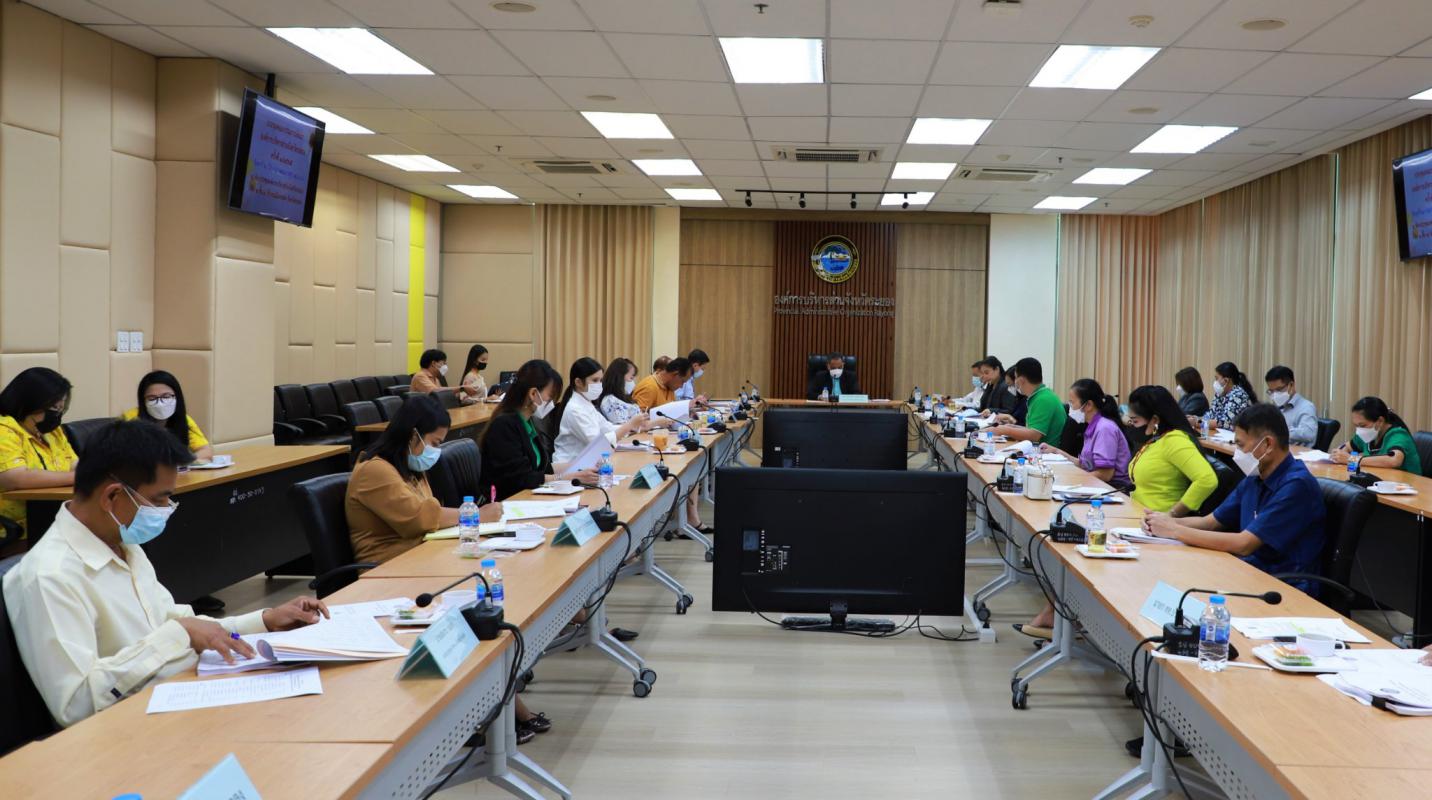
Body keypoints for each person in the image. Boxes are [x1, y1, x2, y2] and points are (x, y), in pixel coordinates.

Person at [3, 421, 329, 727]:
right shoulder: (50, 576)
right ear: (112, 496)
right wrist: (178, 635)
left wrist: (265, 620)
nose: (167, 509)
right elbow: (76, 705)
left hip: (168, 702)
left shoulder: (122, 544)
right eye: (160, 498)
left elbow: (179, 623)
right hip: (120, 732)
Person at [1145, 404, 1326, 595]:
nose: (1236, 453)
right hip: (1249, 572)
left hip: (1284, 587)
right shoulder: (1255, 477)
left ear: (1267, 444)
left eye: (1240, 445)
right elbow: (1210, 522)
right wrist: (1161, 521)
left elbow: (1244, 544)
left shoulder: (1296, 485)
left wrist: (1174, 530)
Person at [1019, 379, 1134, 639]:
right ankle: (1056, 612)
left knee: (1067, 541)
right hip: (1095, 493)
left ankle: (1059, 615)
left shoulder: (1105, 428)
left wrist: (1075, 485)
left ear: (1088, 404)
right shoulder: (1092, 426)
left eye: (1072, 403)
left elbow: (1105, 473)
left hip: (1112, 497)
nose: (1070, 408)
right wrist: (1058, 452)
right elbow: (1085, 464)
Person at [347, 395, 501, 564]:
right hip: (387, 566)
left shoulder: (409, 468)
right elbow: (420, 519)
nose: (436, 451)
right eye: (434, 443)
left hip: (419, 556)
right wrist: (476, 515)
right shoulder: (374, 470)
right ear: (413, 436)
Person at [480, 359, 600, 501]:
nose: (552, 404)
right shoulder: (504, 426)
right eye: (550, 397)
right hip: (509, 501)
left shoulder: (527, 422)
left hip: (528, 497)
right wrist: (569, 477)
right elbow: (522, 479)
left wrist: (580, 466)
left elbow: (543, 468)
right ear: (533, 394)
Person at [0, 367, 79, 541]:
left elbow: (74, 464)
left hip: (54, 524)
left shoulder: (53, 432)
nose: (56, 415)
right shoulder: (4, 429)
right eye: (53, 408)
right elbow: (14, 478)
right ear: (29, 402)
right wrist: (77, 477)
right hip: (17, 531)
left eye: (60, 409)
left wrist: (97, 470)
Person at [1125, 385, 1219, 516]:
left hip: (1158, 521)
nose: (1132, 426)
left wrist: (1171, 515)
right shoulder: (1156, 439)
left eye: (1135, 421)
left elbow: (1207, 480)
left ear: (1155, 420)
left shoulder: (1175, 441)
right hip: (1138, 514)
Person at [552, 357, 648, 464]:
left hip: (587, 461)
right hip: (570, 466)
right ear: (578, 382)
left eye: (600, 380)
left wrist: (632, 426)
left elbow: (607, 427)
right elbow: (597, 444)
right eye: (595, 380)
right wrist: (629, 425)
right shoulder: (575, 409)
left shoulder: (586, 403)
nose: (599, 384)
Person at [121, 371, 215, 463]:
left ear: (177, 397)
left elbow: (206, 452)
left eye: (166, 397)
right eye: (152, 398)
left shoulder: (184, 420)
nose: (160, 403)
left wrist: (183, 460)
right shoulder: (130, 419)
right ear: (143, 401)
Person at [1330, 396, 1423, 476]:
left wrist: (1352, 459)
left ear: (1380, 421)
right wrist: (1340, 455)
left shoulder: (1398, 435)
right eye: (1356, 426)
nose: (1359, 430)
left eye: (1362, 425)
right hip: (1379, 482)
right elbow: (1347, 447)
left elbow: (1394, 460)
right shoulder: (1367, 434)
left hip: (1406, 486)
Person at [990, 358, 1063, 444]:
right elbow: (1032, 429)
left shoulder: (1043, 399)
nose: (1015, 382)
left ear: (1021, 380)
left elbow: (1034, 436)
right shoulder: (1039, 395)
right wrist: (1012, 427)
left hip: (1046, 451)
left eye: (1016, 377)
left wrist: (1005, 430)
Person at [1261, 366, 1317, 447]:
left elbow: (1309, 434)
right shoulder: (1277, 407)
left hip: (1296, 452)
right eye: (1271, 391)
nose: (1275, 395)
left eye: (1279, 390)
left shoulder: (1306, 407)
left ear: (1291, 385)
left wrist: (1279, 431)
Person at [1194, 361, 1253, 429]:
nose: (1215, 382)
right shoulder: (1219, 394)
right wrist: (1195, 418)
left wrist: (1196, 423)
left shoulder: (1238, 395)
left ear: (1226, 380)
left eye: (1216, 378)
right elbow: (1210, 415)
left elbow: (1224, 423)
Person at [598, 357, 652, 426]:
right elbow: (623, 427)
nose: (633, 382)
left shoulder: (624, 398)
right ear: (619, 377)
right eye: (631, 378)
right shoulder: (610, 401)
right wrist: (656, 422)